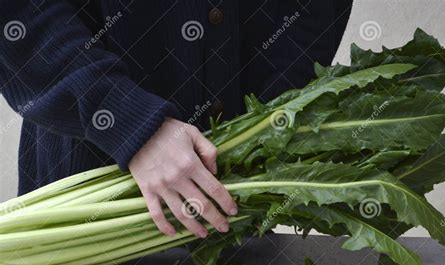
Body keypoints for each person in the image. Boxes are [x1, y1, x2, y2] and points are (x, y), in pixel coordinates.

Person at [0, 0, 352, 238]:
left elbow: (313, 14)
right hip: (80, 199)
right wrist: (129, 121)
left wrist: (255, 138)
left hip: (234, 205)